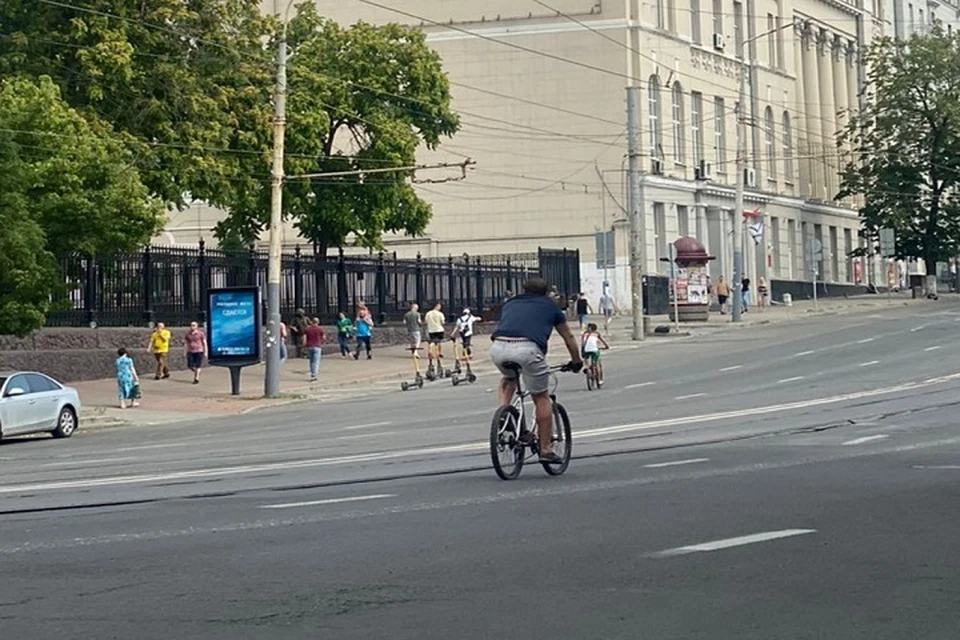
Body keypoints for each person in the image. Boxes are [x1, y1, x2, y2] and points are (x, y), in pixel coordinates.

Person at [490, 277, 583, 465]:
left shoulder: (511, 303)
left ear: (523, 289)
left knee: (509, 378)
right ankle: (546, 449)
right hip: (528, 349)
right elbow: (568, 337)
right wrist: (576, 361)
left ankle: (504, 413)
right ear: (546, 292)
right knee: (541, 397)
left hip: (498, 347)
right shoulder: (551, 306)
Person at [580, 322, 610, 386]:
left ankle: (587, 367)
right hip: (594, 350)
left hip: (586, 350)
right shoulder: (596, 334)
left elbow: (582, 344)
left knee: (586, 359)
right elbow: (603, 341)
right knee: (597, 364)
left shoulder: (584, 334)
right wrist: (606, 346)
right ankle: (599, 380)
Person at [304, 317, 324, 382]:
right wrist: (321, 341)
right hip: (317, 346)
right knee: (316, 362)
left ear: (312, 322)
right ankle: (314, 375)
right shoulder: (320, 329)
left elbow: (304, 338)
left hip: (309, 346)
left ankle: (312, 372)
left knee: (311, 361)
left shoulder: (307, 329)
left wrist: (304, 345)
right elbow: (324, 337)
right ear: (318, 322)